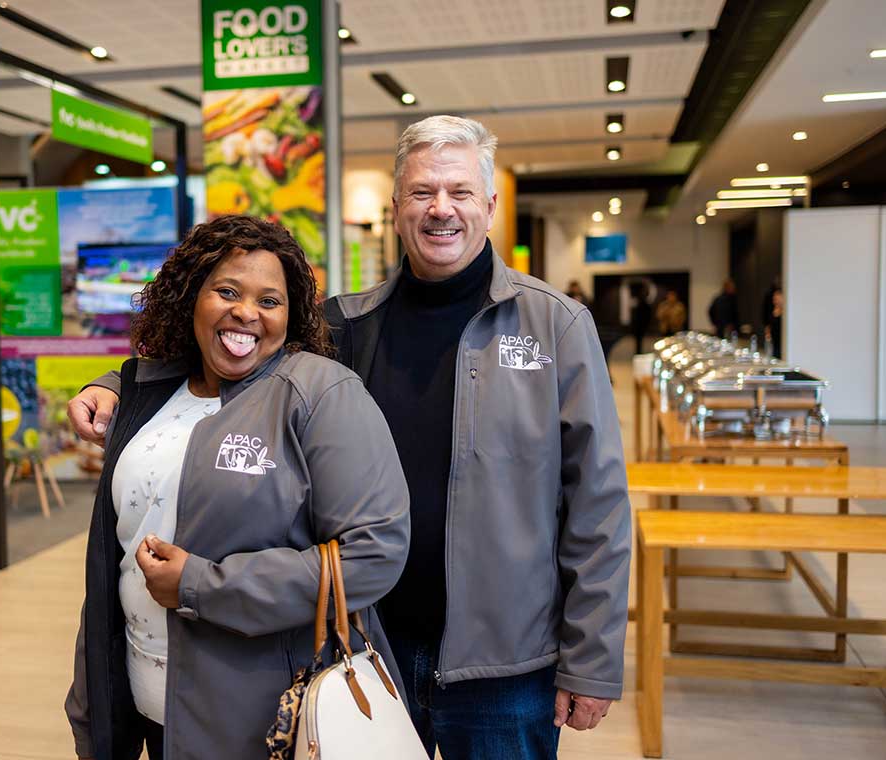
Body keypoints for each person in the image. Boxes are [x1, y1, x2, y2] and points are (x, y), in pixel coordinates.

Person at [70, 116, 631, 760]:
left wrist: (590, 659)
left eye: (460, 192)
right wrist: (118, 383)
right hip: (362, 644)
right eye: (422, 193)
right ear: (396, 209)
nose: (440, 209)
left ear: (491, 205)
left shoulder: (555, 326)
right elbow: (233, 350)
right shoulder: (345, 325)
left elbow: (598, 504)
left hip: (504, 666)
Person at [63, 215, 411, 760]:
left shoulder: (320, 393)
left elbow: (375, 553)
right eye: (227, 290)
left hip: (264, 718)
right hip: (145, 699)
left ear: (290, 314)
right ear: (189, 297)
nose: (246, 312)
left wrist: (203, 584)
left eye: (269, 301)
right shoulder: (148, 390)